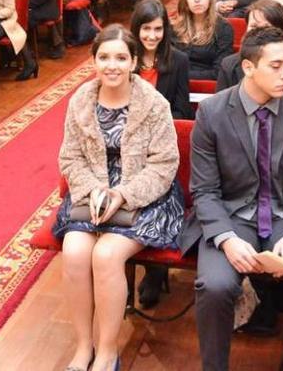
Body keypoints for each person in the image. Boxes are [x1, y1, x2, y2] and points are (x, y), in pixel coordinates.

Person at [180, 25, 283, 371]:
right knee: (216, 286)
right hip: (232, 217)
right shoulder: (213, 112)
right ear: (248, 67)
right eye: (276, 66)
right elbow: (204, 190)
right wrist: (225, 238)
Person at [52, 24, 184, 371]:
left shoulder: (154, 103)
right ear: (94, 61)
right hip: (91, 190)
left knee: (108, 255)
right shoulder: (80, 100)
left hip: (144, 194)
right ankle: (84, 348)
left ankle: (108, 351)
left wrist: (122, 194)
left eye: (121, 58)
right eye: (104, 57)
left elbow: (165, 164)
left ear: (134, 61)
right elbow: (70, 157)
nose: (112, 65)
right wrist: (94, 189)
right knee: (76, 251)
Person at [130, 0, 192, 120]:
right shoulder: (125, 59)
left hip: (164, 130)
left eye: (158, 29)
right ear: (137, 29)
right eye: (146, 28)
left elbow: (182, 111)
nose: (152, 36)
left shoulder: (179, 61)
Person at [172, 0, 234, 80]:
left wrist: (182, 75)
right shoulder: (174, 28)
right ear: (185, 1)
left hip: (209, 89)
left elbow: (219, 72)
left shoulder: (223, 28)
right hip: (177, 88)